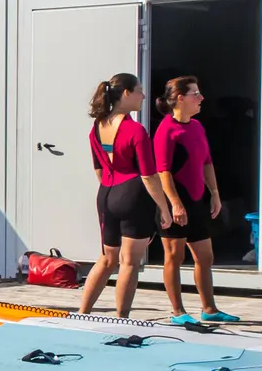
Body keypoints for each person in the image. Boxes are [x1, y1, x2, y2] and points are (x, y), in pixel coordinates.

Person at [154, 75, 240, 325]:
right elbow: (163, 171)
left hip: (197, 201)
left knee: (205, 256)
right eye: (195, 94)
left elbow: (206, 162)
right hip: (175, 203)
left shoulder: (197, 126)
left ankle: (209, 309)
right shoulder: (166, 130)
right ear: (180, 98)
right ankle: (178, 311)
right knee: (174, 257)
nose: (201, 98)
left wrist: (214, 193)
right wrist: (175, 204)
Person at [78, 73, 165, 318]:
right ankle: (121, 318)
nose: (143, 95)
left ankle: (82, 312)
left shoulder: (97, 127)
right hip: (133, 195)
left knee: (107, 259)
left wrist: (112, 192)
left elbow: (98, 168)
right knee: (129, 262)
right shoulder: (135, 130)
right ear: (126, 93)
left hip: (106, 193)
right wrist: (164, 208)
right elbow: (149, 175)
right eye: (139, 90)